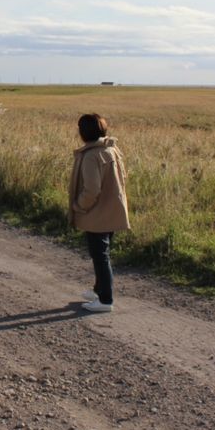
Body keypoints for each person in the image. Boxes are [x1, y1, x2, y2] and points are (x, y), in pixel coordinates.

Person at [68, 113, 130, 312]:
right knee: (103, 253)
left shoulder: (91, 155)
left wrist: (78, 206)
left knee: (100, 256)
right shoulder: (111, 149)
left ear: (83, 132)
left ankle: (105, 300)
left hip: (97, 213)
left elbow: (91, 190)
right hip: (112, 209)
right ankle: (98, 290)